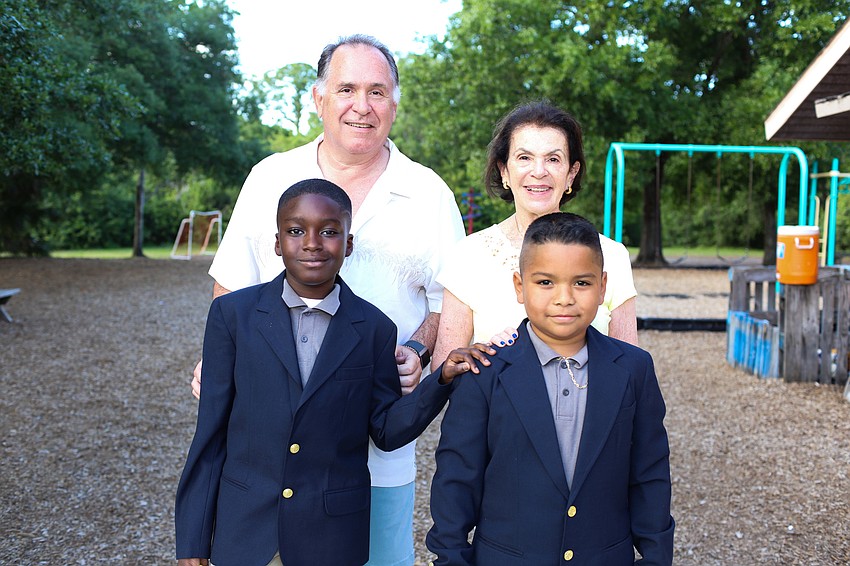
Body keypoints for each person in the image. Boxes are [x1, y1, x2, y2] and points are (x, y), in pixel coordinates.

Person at [192, 35, 465, 565]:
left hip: (377, 456)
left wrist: (417, 349)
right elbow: (231, 285)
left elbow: (448, 304)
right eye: (347, 89)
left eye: (377, 91)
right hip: (271, 457)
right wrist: (220, 358)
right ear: (318, 98)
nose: (362, 106)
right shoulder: (269, 177)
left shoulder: (430, 194)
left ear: (395, 103)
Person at [176, 179, 473, 566]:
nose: (312, 242)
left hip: (331, 536)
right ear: (277, 243)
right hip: (246, 532)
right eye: (296, 231)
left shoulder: (374, 329)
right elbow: (210, 435)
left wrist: (442, 380)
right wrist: (193, 541)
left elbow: (385, 430)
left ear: (348, 244)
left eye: (329, 231)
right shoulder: (233, 315)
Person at [426, 212, 674, 565]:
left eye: (581, 283)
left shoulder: (634, 369)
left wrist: (654, 558)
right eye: (545, 282)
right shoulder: (484, 373)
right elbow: (456, 480)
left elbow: (650, 474)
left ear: (603, 286)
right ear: (519, 286)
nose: (564, 298)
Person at [432, 101, 638, 369]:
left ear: (571, 174)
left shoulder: (610, 255)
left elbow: (629, 371)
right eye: (524, 158)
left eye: (553, 159)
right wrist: (486, 359)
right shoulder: (469, 255)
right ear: (504, 171)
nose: (538, 171)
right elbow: (443, 371)